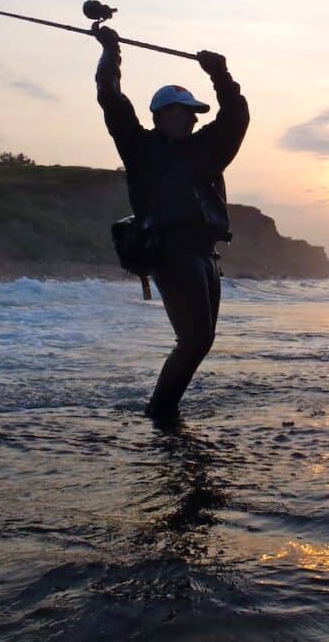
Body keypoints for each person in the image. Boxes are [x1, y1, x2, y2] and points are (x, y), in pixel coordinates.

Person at [94, 26, 249, 423]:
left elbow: (237, 117)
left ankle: (163, 409)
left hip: (205, 254)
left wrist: (221, 75)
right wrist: (111, 51)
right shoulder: (139, 147)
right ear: (161, 115)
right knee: (195, 340)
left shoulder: (206, 148)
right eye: (186, 111)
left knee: (202, 340)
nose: (194, 120)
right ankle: (161, 412)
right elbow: (110, 97)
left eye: (197, 114)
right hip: (170, 252)